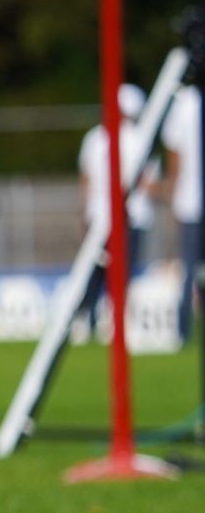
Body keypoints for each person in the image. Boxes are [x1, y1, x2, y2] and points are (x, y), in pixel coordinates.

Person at [76, 83, 159, 337]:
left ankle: (83, 320)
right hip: (130, 217)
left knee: (95, 271)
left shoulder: (94, 137)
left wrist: (85, 211)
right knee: (120, 274)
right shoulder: (141, 139)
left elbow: (85, 180)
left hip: (99, 216)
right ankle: (111, 321)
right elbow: (148, 183)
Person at [163, 83, 201, 343]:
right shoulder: (184, 103)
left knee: (190, 266)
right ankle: (185, 328)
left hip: (189, 202)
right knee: (190, 269)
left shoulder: (183, 104)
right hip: (190, 200)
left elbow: (174, 156)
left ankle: (183, 329)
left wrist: (173, 198)